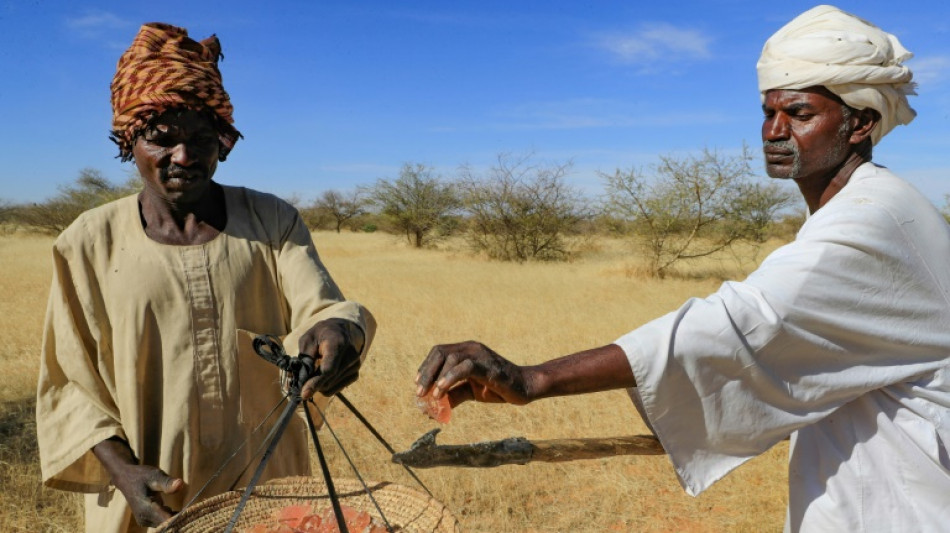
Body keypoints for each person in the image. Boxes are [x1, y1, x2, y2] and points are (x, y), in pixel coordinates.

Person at [416, 6, 950, 531]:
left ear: (860, 124)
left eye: (800, 114)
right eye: (768, 113)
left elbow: (743, 321)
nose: (774, 130)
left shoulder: (873, 220)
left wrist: (533, 379)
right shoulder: (865, 208)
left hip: (902, 506)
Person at [36, 23, 376, 532]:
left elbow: (323, 308)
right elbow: (71, 385)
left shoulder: (271, 221)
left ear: (224, 140)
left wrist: (339, 331)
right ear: (131, 139)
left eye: (201, 139)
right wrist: (124, 474)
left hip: (270, 488)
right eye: (161, 138)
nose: (184, 156)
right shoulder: (87, 242)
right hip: (151, 500)